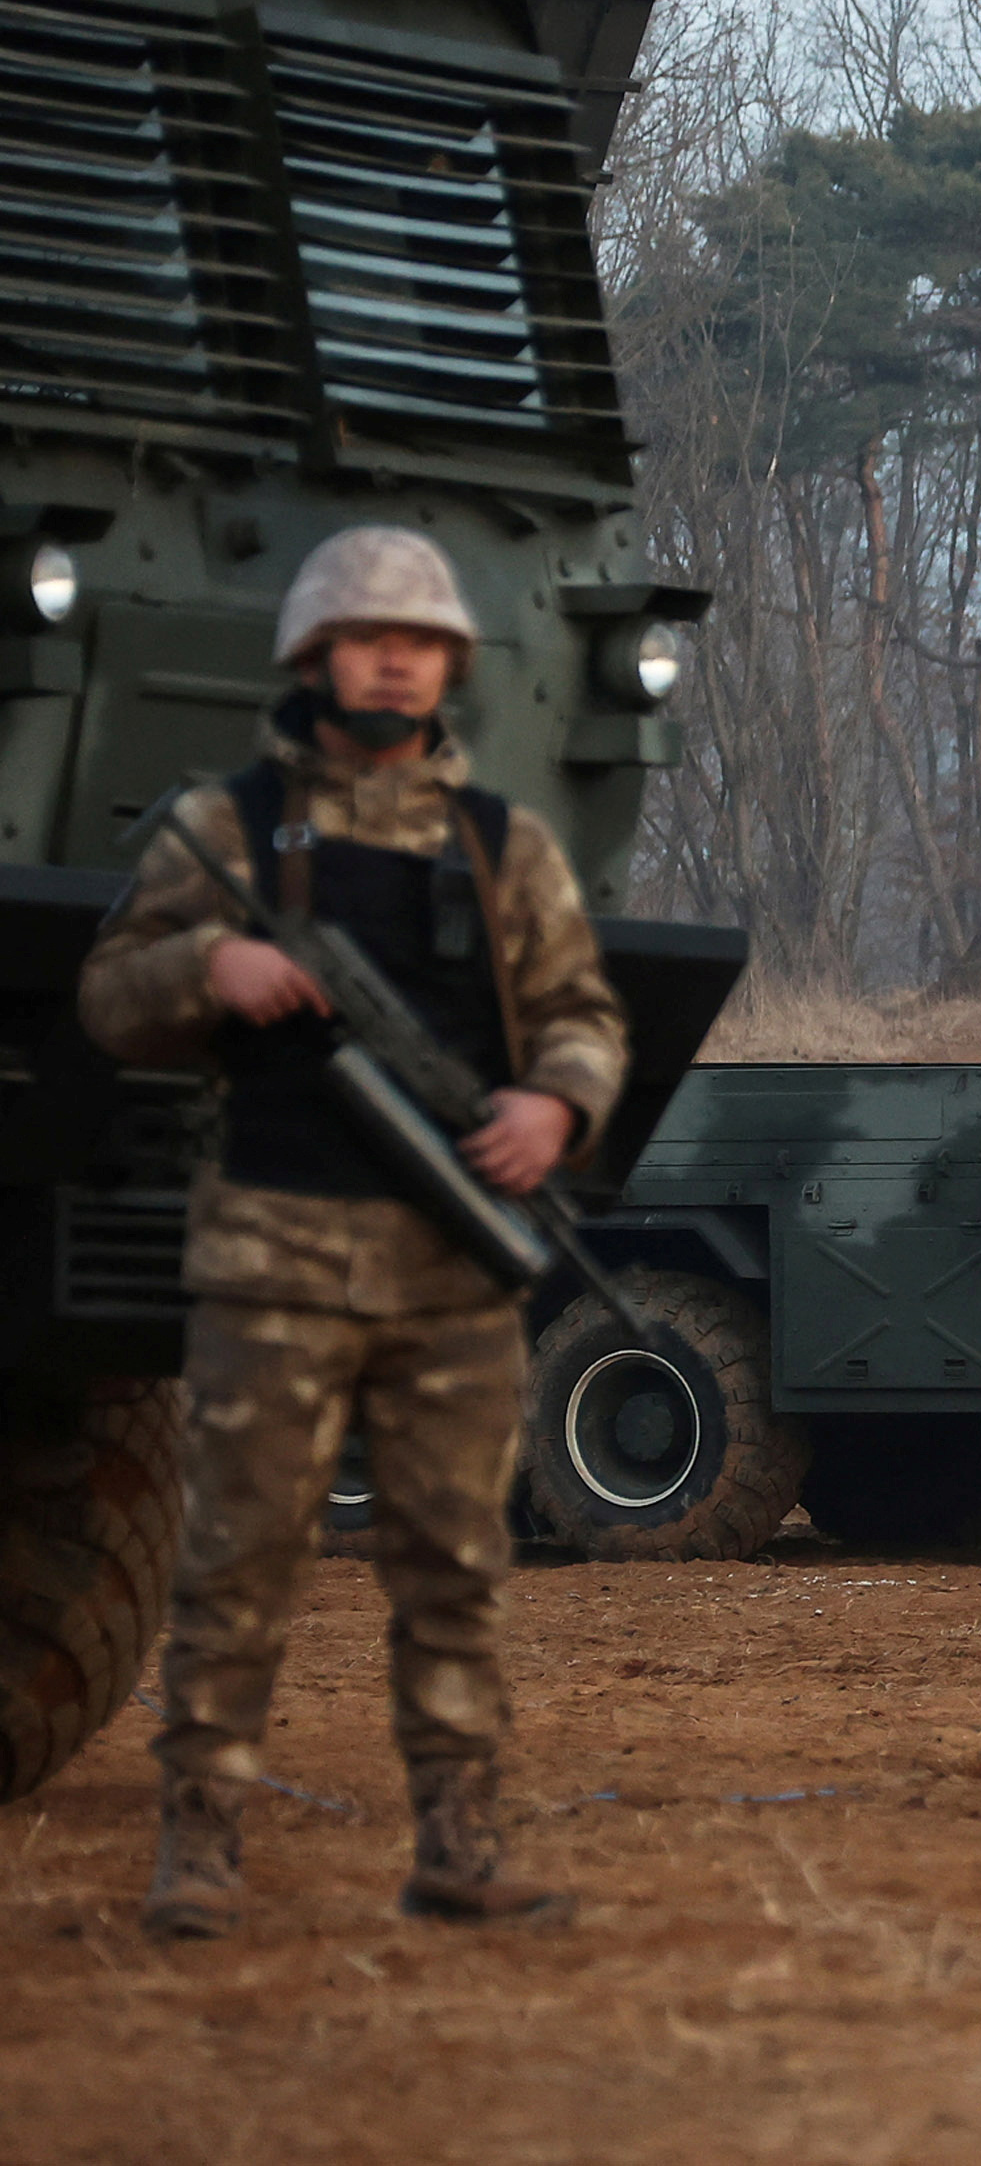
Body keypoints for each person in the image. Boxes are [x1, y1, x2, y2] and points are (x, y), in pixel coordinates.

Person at [78, 527, 628, 1940]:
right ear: (314, 655)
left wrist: (553, 1110)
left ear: (449, 662)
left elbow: (582, 1013)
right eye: (368, 632)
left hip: (452, 1267)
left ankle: (461, 1842)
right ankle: (196, 1847)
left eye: (421, 636)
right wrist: (214, 960)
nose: (396, 654)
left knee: (456, 1564)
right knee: (237, 1558)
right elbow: (110, 1000)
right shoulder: (226, 829)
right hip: (275, 1256)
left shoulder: (504, 846)